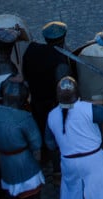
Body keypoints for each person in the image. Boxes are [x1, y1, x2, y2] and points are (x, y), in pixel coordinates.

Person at [21, 22, 71, 160]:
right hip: (52, 103)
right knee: (54, 132)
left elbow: (25, 74)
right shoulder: (60, 61)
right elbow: (63, 87)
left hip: (36, 98)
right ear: (63, 38)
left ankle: (44, 153)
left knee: (40, 125)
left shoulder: (31, 50)